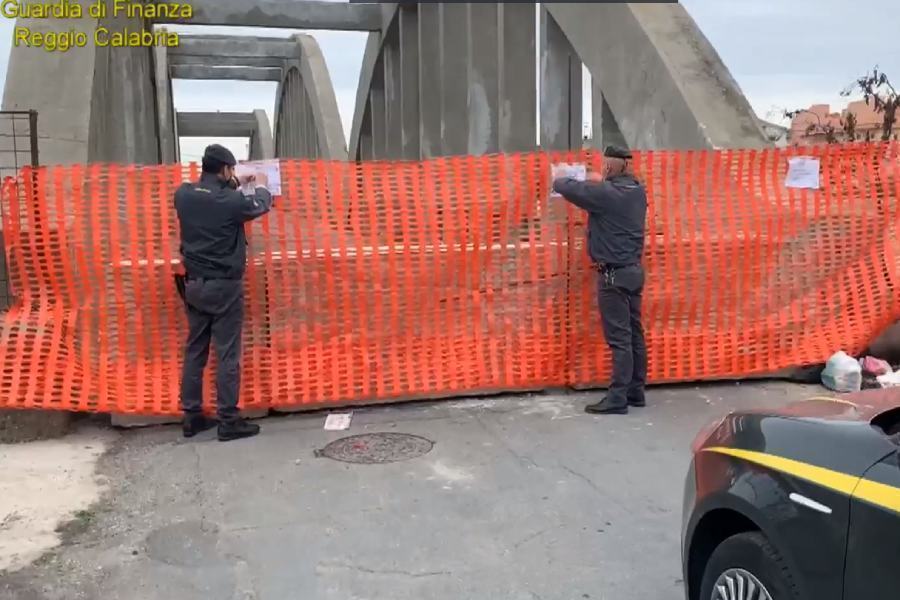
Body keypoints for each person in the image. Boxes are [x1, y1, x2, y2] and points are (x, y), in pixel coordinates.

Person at [174, 144, 273, 440]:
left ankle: (192, 416)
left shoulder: (183, 195)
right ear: (226, 170)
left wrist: (232, 186)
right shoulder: (230, 202)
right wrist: (261, 186)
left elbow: (208, 199)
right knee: (227, 353)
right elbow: (260, 204)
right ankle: (228, 420)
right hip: (224, 286)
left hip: (193, 285)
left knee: (196, 350)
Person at [552, 145, 648, 415]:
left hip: (613, 276)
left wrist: (581, 177)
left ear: (610, 166)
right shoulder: (638, 192)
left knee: (620, 340)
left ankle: (617, 398)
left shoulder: (606, 194)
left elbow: (562, 184)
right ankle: (635, 392)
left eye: (605, 165)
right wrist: (599, 180)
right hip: (632, 272)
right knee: (634, 335)